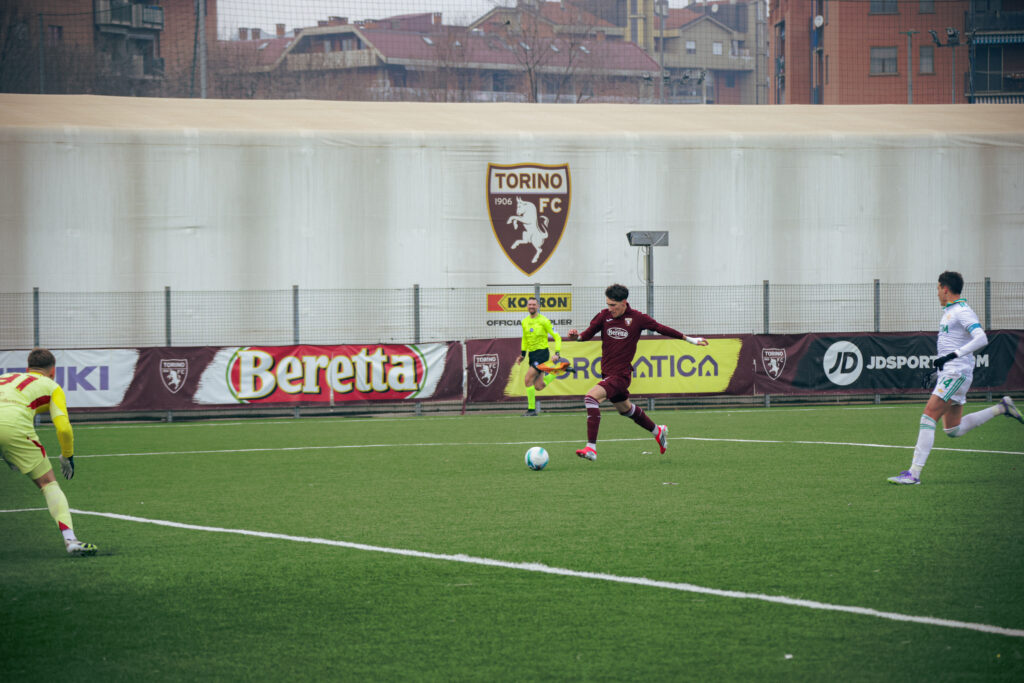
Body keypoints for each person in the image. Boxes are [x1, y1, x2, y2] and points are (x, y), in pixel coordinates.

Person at [888, 271, 1023, 485]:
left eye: (937, 289)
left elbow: (981, 338)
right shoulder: (950, 312)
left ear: (945, 289)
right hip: (952, 372)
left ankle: (913, 474)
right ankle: (1001, 408)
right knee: (952, 429)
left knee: (928, 416)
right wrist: (939, 370)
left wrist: (953, 356)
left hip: (957, 373)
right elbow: (952, 347)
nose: (937, 294)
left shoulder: (962, 311)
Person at [566, 284, 708, 461]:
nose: (610, 308)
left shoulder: (637, 318)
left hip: (621, 376)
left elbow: (661, 328)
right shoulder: (604, 316)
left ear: (624, 302)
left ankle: (591, 448)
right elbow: (586, 335)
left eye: (613, 305)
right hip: (607, 374)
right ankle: (657, 431)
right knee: (625, 409)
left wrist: (690, 339)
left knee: (590, 398)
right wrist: (576, 337)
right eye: (608, 304)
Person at [0, 348, 97, 555]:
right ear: (53, 371)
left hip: (7, 426)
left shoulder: (5, 377)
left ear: (27, 368)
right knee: (48, 483)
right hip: (13, 428)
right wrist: (67, 455)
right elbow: (64, 429)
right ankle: (70, 540)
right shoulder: (52, 386)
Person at [516, 296, 564, 416]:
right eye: (530, 304)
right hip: (532, 355)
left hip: (542, 353)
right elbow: (525, 339)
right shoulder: (524, 321)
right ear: (527, 306)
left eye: (534, 304)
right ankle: (559, 370)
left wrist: (557, 353)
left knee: (528, 379)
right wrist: (523, 354)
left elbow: (557, 337)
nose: (531, 306)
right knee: (538, 386)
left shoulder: (544, 321)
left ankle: (531, 410)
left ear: (538, 306)